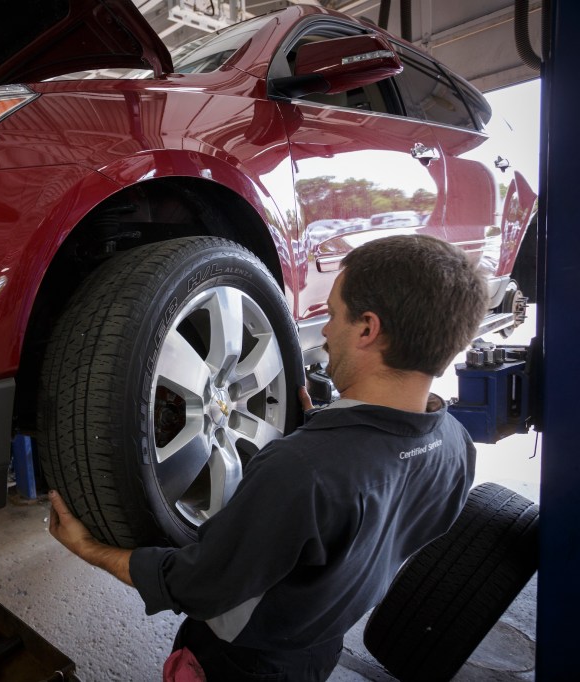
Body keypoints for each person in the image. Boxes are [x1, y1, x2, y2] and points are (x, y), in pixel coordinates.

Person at [48, 235, 489, 681]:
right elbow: (378, 501)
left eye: (333, 314)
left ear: (367, 329)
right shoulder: (455, 446)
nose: (326, 330)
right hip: (319, 649)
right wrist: (326, 428)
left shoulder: (302, 472)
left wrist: (89, 549)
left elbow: (198, 585)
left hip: (242, 665)